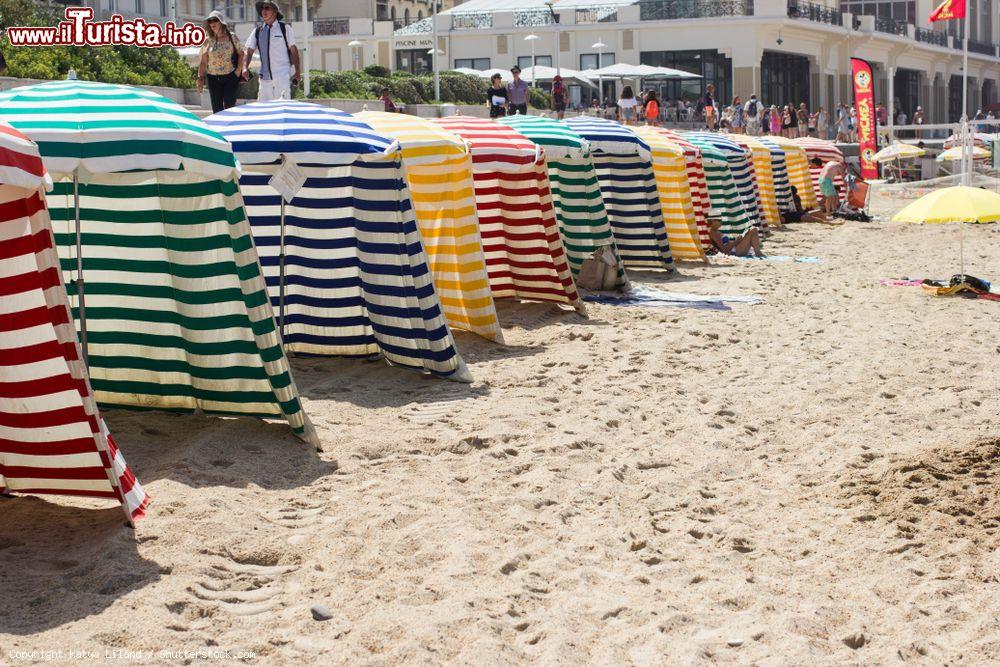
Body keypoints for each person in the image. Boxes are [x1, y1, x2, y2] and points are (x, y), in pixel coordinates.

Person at [243, 0, 300, 102]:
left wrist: (297, 72)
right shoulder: (258, 31)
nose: (263, 11)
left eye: (267, 8)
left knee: (283, 110)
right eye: (262, 8)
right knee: (262, 113)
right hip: (264, 80)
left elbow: (294, 51)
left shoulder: (285, 29)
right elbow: (249, 51)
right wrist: (245, 67)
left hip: (282, 78)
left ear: (274, 11)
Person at [197, 10, 244, 113]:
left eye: (215, 20)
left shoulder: (232, 37)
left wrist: (238, 71)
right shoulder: (207, 40)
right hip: (213, 78)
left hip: (230, 76)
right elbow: (203, 62)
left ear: (221, 23)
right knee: (217, 109)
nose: (212, 23)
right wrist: (200, 78)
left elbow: (241, 53)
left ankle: (230, 128)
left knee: (229, 107)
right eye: (210, 21)